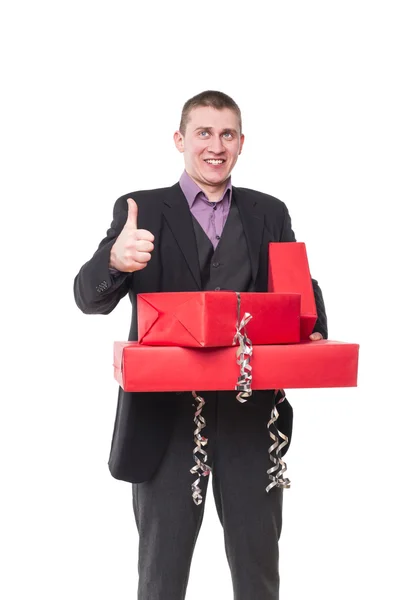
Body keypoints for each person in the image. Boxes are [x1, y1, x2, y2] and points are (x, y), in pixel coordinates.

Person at [73, 90, 328, 600]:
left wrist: (314, 327)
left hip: (251, 413)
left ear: (240, 144)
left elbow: (303, 291)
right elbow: (87, 298)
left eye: (227, 134)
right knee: (161, 576)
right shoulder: (140, 209)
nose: (216, 145)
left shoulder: (269, 212)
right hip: (163, 422)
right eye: (204, 132)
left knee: (258, 570)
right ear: (180, 140)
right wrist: (116, 263)